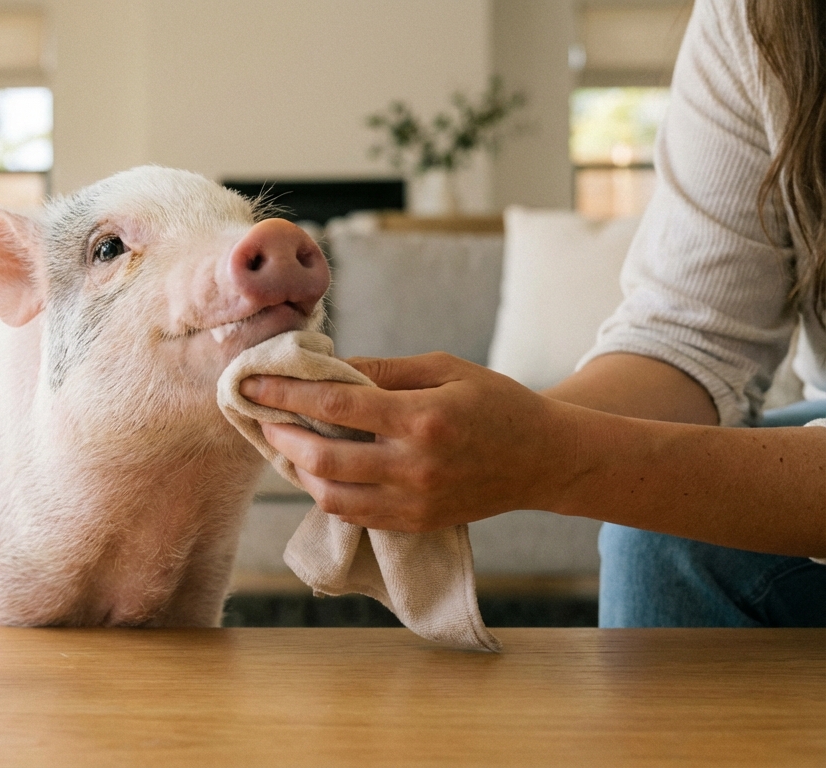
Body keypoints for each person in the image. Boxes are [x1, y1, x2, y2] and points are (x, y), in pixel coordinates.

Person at [241, 0, 826, 628]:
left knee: (655, 528)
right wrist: (516, 431)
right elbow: (692, 338)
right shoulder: (760, 20)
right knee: (662, 529)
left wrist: (557, 456)